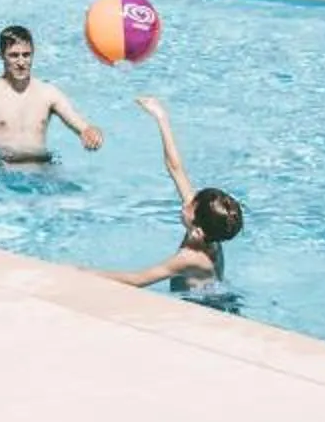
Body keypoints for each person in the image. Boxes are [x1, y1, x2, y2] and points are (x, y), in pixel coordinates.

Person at [99, 95, 244, 295]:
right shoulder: (210, 228)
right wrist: (161, 117)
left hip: (205, 309)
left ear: (198, 229)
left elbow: (136, 280)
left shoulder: (191, 257)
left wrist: (80, 273)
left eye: (189, 207)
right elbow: (175, 167)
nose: (185, 204)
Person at [0, 23, 103, 164]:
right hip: (2, 172)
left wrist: (91, 135)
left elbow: (84, 127)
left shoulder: (48, 94)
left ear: (33, 53)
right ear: (1, 55)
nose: (21, 62)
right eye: (13, 55)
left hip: (43, 168)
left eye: (26, 55)